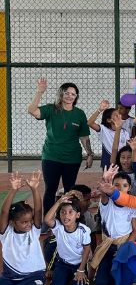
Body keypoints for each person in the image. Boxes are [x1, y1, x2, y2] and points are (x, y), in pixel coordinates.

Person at [28, 78, 93, 234]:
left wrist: (90, 154)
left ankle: (68, 219)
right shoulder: (51, 109)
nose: (70, 96)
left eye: (73, 94)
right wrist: (39, 92)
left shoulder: (79, 114)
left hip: (72, 157)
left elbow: (84, 137)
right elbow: (32, 110)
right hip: (51, 155)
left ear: (76, 97)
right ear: (61, 94)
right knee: (50, 188)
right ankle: (47, 221)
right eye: (67, 93)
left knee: (70, 189)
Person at [0, 171, 46, 285]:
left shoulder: (34, 231)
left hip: (33, 277)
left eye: (30, 220)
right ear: (12, 223)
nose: (29, 224)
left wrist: (34, 189)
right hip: (10, 278)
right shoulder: (6, 233)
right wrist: (13, 190)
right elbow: (4, 212)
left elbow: (38, 211)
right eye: (24, 222)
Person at [91, 167, 136, 285]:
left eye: (124, 185)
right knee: (101, 284)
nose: (120, 188)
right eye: (116, 185)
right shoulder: (107, 203)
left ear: (129, 188)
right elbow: (104, 193)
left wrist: (125, 248)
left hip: (124, 246)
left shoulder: (132, 205)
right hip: (108, 247)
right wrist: (107, 179)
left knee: (126, 283)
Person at [44, 194, 91, 285]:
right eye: (63, 212)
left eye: (70, 212)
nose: (66, 215)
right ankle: (68, 275)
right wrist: (58, 202)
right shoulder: (58, 227)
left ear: (77, 215)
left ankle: (75, 274)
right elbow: (47, 219)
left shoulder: (83, 230)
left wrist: (81, 269)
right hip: (62, 263)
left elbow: (87, 249)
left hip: (78, 263)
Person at [87, 100, 129, 169]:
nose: (119, 116)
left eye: (119, 114)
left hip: (122, 162)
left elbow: (127, 145)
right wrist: (99, 110)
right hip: (108, 162)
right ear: (109, 120)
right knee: (109, 179)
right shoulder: (103, 129)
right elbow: (90, 123)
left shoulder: (124, 132)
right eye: (116, 115)